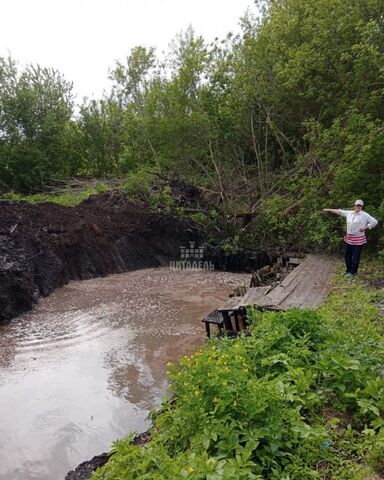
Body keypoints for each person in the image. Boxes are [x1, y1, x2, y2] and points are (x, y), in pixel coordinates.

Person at [323, 199, 378, 277]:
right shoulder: (350, 213)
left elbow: (375, 222)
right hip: (349, 238)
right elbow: (339, 211)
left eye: (360, 205)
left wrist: (366, 227)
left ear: (362, 206)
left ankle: (353, 272)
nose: (358, 207)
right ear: (354, 205)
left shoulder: (365, 215)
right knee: (347, 255)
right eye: (357, 205)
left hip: (358, 239)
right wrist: (328, 209)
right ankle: (348, 270)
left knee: (355, 257)